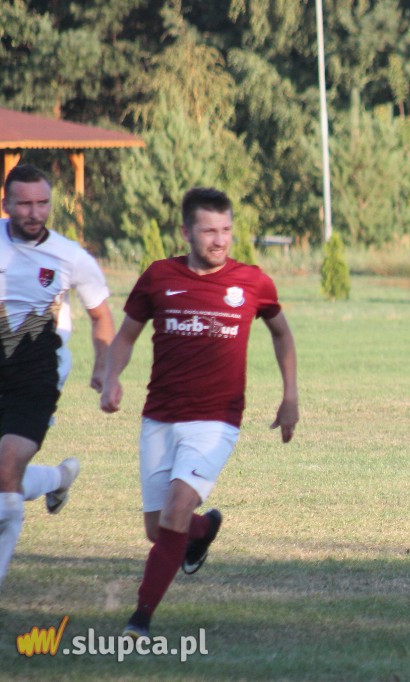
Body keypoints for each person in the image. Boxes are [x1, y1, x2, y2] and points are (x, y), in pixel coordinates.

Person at [100, 187, 299, 638]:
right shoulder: (157, 277)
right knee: (158, 529)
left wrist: (290, 397)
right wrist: (113, 377)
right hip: (159, 417)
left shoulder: (252, 282)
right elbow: (127, 337)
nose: (220, 240)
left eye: (226, 230)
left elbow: (282, 334)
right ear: (186, 231)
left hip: (217, 419)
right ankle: (204, 528)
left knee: (174, 510)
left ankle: (140, 618)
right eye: (209, 230)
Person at [0, 163, 113, 590]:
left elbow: (102, 315)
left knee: (7, 465)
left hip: (36, 375)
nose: (34, 212)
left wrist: (104, 368)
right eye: (24, 203)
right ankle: (59, 478)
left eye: (42, 203)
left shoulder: (70, 256)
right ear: (7, 202)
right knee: (4, 477)